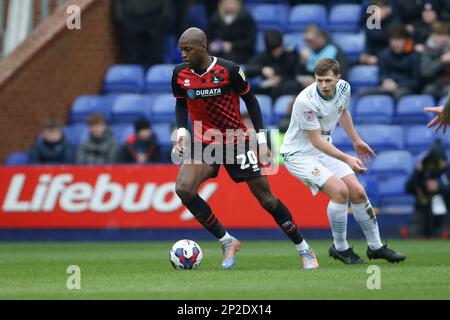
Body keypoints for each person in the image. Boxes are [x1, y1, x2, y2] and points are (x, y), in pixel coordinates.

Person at [172, 27, 318, 270]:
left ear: (203, 47)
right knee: (184, 189)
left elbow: (251, 100)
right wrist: (181, 132)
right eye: (181, 50)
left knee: (267, 200)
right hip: (204, 142)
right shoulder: (179, 74)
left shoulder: (229, 69)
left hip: (235, 141)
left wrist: (261, 140)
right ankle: (227, 241)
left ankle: (304, 248)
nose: (183, 55)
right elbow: (180, 103)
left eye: (188, 50)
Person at [280, 58, 406, 264]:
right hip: (299, 154)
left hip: (322, 150)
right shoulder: (305, 101)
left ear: (338, 79)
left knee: (357, 191)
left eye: (328, 80)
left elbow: (343, 111)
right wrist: (347, 157)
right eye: (319, 80)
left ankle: (376, 247)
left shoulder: (344, 88)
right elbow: (317, 141)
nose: (323, 85)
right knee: (340, 192)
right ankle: (340, 248)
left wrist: (356, 141)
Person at [363, 24, 420, 100]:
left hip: (405, 88)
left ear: (405, 40)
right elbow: (381, 75)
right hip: (387, 86)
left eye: (398, 39)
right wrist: (385, 80)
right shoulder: (384, 55)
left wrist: (397, 85)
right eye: (392, 40)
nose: (395, 43)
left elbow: (416, 82)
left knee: (397, 94)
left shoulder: (414, 56)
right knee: (362, 93)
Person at [406, 140, 450, 238]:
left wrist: (439, 187)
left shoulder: (448, 171)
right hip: (423, 209)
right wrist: (418, 172)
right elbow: (408, 188)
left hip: (447, 209)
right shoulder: (424, 171)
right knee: (417, 227)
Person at [245, 29, 301, 99]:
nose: (276, 52)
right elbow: (248, 70)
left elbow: (296, 77)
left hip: (285, 87)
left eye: (278, 48)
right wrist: (262, 70)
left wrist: (280, 80)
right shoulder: (263, 56)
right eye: (273, 50)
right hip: (267, 89)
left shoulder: (291, 56)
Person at [207, 0, 257, 64]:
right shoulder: (215, 18)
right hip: (218, 51)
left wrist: (232, 45)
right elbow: (208, 38)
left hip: (240, 53)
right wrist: (211, 44)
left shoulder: (246, 19)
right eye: (227, 3)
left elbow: (250, 42)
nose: (230, 5)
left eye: (233, 3)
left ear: (239, 4)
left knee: (228, 61)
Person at [360, 0, 401, 65]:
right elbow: (369, 42)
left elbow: (394, 47)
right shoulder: (371, 23)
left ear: (388, 9)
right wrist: (366, 55)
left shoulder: (396, 24)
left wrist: (378, 58)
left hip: (390, 58)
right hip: (372, 56)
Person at [420, 21, 450, 99]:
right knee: (429, 90)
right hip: (434, 84)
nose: (442, 38)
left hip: (448, 85)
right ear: (432, 35)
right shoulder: (427, 51)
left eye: (445, 35)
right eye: (439, 35)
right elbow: (426, 73)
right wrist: (441, 61)